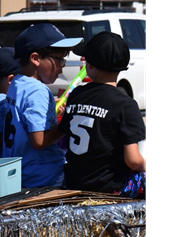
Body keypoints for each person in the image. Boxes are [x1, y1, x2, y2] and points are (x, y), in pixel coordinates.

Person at [58, 32, 146, 195]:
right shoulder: (125, 104)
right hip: (108, 189)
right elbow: (133, 161)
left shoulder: (77, 94)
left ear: (89, 66)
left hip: (73, 184)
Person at [3, 23, 81, 188]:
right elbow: (39, 140)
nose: (62, 67)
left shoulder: (17, 83)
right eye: (59, 59)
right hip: (44, 177)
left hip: (22, 173)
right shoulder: (37, 90)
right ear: (35, 58)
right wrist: (66, 123)